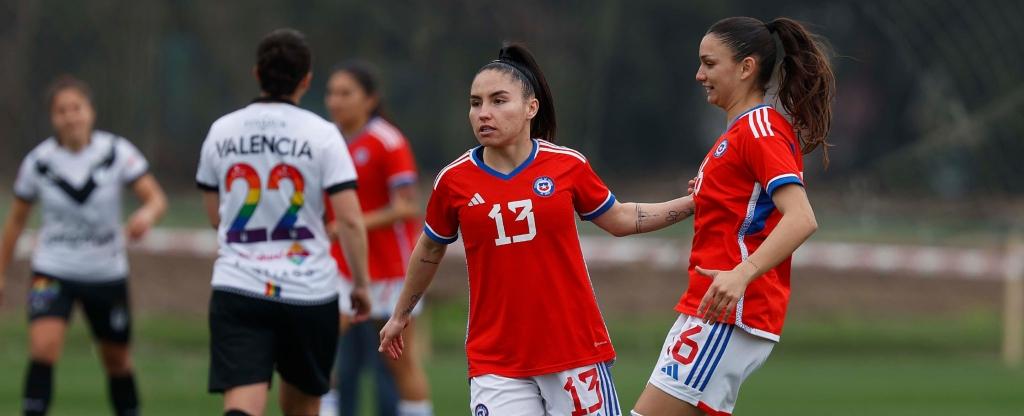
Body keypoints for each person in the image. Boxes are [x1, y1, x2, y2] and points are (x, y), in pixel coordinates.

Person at [378, 42, 696, 416]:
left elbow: (622, 219)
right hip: (495, 360)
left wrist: (693, 203)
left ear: (531, 108)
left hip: (574, 352)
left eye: (498, 101)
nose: (484, 113)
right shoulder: (453, 181)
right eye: (475, 102)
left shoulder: (567, 166)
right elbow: (429, 249)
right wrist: (400, 315)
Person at [631, 16, 834, 416]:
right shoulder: (737, 135)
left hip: (728, 314)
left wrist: (743, 272)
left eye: (709, 63)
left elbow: (801, 217)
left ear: (746, 67)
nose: (699, 74)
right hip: (711, 310)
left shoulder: (759, 129)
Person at [195, 28, 372, 416]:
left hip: (238, 286)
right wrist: (360, 284)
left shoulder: (221, 131)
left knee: (242, 404)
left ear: (257, 73)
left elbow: (215, 216)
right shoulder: (323, 135)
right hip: (308, 291)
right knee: (304, 407)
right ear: (307, 80)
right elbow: (351, 221)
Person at [0, 75, 167, 416]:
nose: (70, 116)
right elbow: (16, 221)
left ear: (90, 111)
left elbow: (155, 198)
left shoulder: (117, 153)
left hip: (106, 272)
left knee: (117, 359)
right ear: (52, 118)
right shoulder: (38, 163)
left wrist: (146, 216)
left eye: (76, 108)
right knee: (43, 348)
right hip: (52, 269)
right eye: (61, 110)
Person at [322, 61, 426, 416]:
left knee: (401, 364)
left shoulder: (388, 141)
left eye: (346, 93)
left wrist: (351, 223)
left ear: (370, 100)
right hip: (340, 267)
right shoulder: (324, 140)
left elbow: (407, 206)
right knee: (319, 352)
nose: (335, 101)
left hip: (391, 269)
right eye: (331, 93)